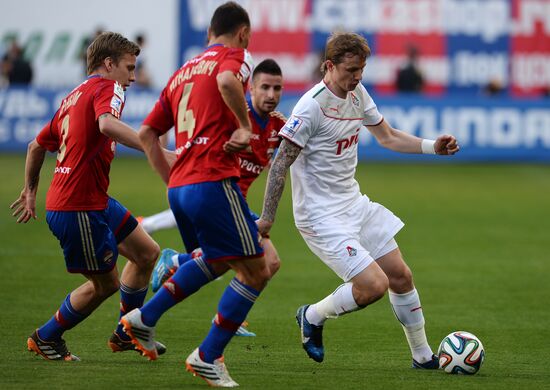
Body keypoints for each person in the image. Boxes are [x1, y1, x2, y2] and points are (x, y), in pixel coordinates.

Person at [257, 32, 459, 368]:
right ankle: (312, 315)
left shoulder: (357, 94)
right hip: (320, 217)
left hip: (354, 204)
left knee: (400, 276)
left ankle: (423, 357)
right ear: (329, 66)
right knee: (374, 285)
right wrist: (267, 219)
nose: (358, 76)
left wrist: (431, 146)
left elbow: (388, 136)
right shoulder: (311, 107)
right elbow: (281, 163)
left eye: (362, 69)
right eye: (351, 70)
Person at [120, 3, 270, 387]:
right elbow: (225, 81)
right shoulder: (236, 57)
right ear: (242, 34)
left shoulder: (181, 73)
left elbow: (148, 134)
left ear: (208, 33)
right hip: (214, 181)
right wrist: (242, 125)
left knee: (218, 260)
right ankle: (208, 355)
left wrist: (170, 178)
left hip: (181, 189)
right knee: (257, 270)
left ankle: (143, 318)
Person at [10, 32, 170, 361]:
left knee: (146, 253)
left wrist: (31, 189)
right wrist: (155, 148)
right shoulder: (106, 88)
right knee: (106, 285)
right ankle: (46, 337)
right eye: (129, 67)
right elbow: (107, 125)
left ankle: (127, 331)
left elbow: (35, 145)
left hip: (92, 199)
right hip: (78, 207)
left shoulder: (73, 96)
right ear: (108, 64)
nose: (132, 76)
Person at [147, 58, 286, 337]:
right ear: (251, 89)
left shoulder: (278, 127)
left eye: (277, 88)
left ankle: (178, 273)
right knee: (249, 261)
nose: (271, 95)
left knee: (259, 263)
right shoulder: (234, 117)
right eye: (265, 87)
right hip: (219, 197)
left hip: (238, 204)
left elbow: (280, 162)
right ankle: (177, 269)